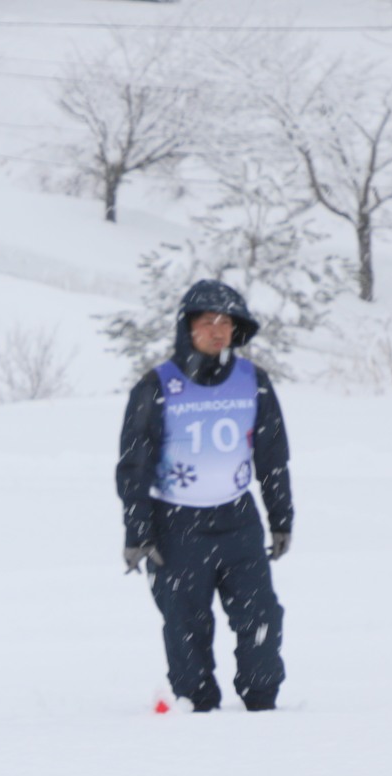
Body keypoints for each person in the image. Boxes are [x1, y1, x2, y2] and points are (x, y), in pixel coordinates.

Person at [116, 280, 292, 712]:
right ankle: (195, 711)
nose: (218, 331)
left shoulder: (253, 381)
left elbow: (272, 456)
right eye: (208, 322)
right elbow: (135, 466)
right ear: (187, 327)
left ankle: (264, 709)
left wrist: (281, 518)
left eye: (226, 323)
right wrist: (138, 531)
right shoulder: (157, 385)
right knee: (185, 628)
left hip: (238, 523)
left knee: (261, 618)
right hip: (177, 529)